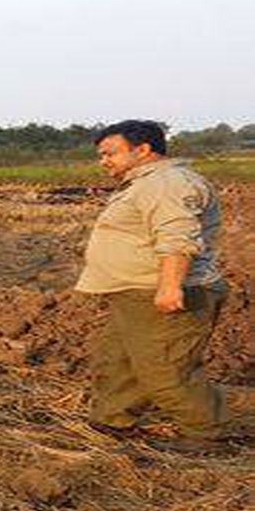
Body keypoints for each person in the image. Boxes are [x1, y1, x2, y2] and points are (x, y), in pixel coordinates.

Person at [74, 119, 230, 451]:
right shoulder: (145, 183)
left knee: (166, 369)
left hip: (166, 291)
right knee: (117, 360)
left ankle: (204, 435)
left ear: (143, 150)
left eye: (110, 154)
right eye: (101, 155)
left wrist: (170, 287)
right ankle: (112, 422)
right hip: (135, 293)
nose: (104, 161)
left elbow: (177, 238)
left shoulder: (167, 183)